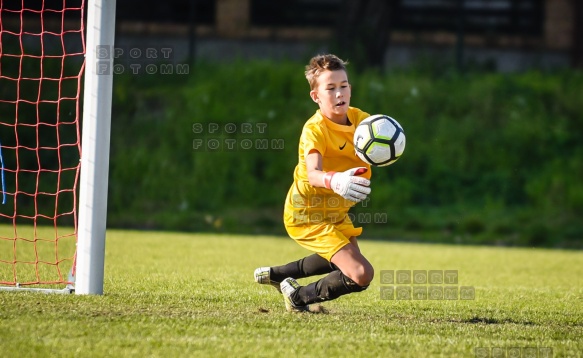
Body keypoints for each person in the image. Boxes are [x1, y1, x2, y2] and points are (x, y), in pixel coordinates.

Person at [254, 54, 375, 312]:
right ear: (316, 96)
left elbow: (381, 143)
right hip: (306, 213)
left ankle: (278, 274)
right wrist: (336, 180)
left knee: (342, 264)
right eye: (330, 88)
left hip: (335, 212)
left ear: (350, 89)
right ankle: (298, 297)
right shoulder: (315, 130)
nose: (339, 93)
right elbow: (313, 173)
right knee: (361, 273)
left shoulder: (362, 121)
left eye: (343, 86)